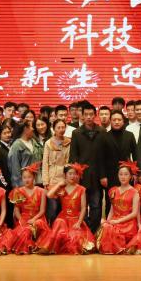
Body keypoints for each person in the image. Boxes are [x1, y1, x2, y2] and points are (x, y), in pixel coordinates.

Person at [68, 102, 112, 234]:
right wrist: (74, 175)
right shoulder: (76, 133)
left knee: (96, 205)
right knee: (80, 205)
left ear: (95, 115)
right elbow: (73, 156)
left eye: (91, 114)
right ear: (81, 115)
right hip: (81, 176)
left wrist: (103, 175)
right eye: (86, 114)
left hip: (98, 176)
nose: (88, 117)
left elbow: (105, 156)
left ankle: (93, 232)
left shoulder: (102, 132)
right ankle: (83, 231)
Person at [43, 163, 96, 255]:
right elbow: (49, 195)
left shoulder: (81, 189)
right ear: (65, 175)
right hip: (63, 218)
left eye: (74, 174)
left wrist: (79, 223)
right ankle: (49, 247)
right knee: (59, 222)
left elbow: (83, 208)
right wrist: (59, 184)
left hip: (76, 219)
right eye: (70, 174)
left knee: (75, 237)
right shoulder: (62, 188)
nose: (72, 176)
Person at [96, 161, 141, 254]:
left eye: (126, 174)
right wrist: (108, 222)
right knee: (106, 227)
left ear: (131, 176)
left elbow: (134, 213)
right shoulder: (114, 191)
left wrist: (118, 221)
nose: (123, 177)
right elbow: (112, 210)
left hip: (128, 223)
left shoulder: (135, 192)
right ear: (118, 176)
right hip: (115, 220)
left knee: (113, 231)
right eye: (121, 174)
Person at [5, 163, 50, 254]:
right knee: (24, 230)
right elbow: (16, 209)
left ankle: (39, 245)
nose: (27, 179)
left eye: (29, 177)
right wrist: (21, 219)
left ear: (34, 177)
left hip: (37, 217)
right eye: (24, 177)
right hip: (24, 218)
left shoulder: (41, 191)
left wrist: (34, 219)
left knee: (38, 224)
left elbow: (42, 210)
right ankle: (28, 246)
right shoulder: (18, 191)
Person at [42, 118, 71, 221]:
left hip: (64, 178)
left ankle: (61, 227)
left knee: (63, 206)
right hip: (52, 178)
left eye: (63, 127)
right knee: (53, 207)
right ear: (53, 129)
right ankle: (51, 227)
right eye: (58, 127)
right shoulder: (48, 143)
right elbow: (45, 163)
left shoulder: (69, 142)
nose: (61, 129)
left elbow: (69, 161)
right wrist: (45, 181)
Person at [8, 119, 40, 188]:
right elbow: (15, 169)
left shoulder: (34, 142)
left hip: (36, 183)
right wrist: (19, 186)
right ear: (25, 129)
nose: (33, 129)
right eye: (31, 126)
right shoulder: (17, 145)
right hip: (23, 185)